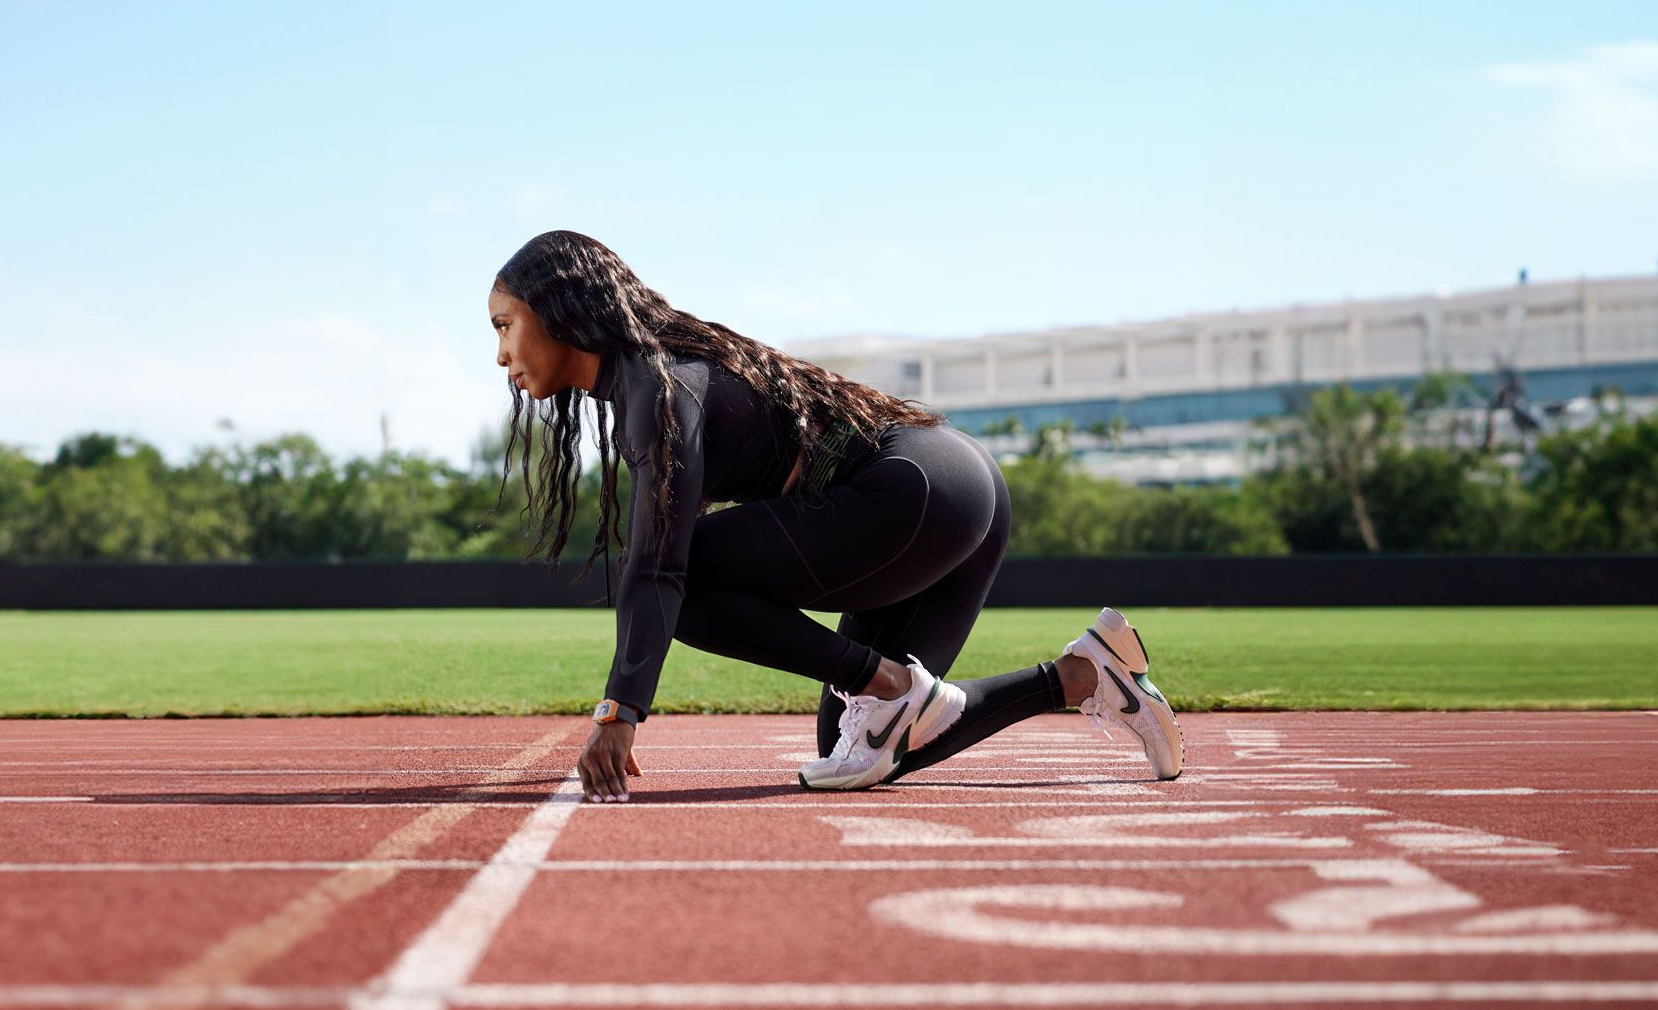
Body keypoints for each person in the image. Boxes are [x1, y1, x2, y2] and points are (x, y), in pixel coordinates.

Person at [487, 230, 1183, 803]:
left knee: (682, 579)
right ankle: (1082, 674)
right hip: (953, 490)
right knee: (861, 746)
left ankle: (886, 682)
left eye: (505, 326)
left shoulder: (653, 385)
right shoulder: (654, 381)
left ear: (558, 311)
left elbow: (659, 563)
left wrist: (620, 710)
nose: (501, 355)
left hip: (913, 489)